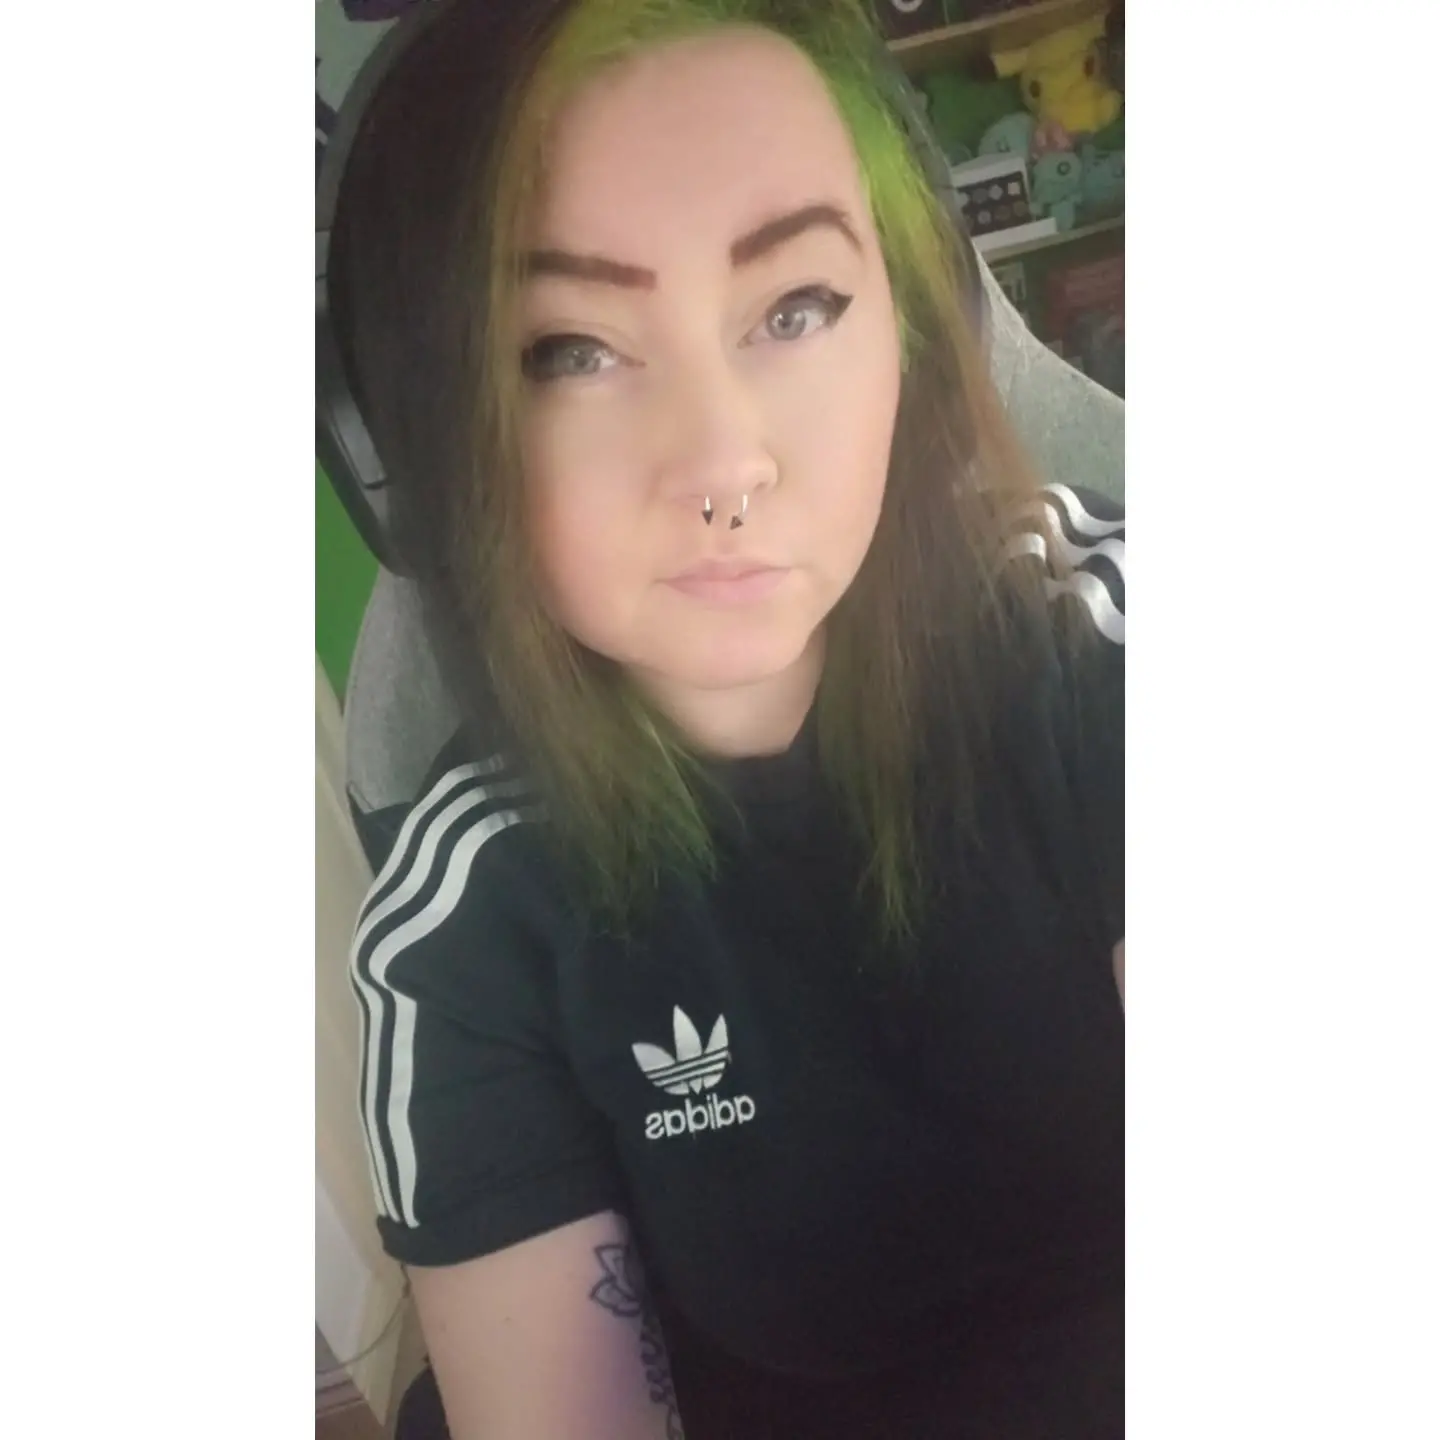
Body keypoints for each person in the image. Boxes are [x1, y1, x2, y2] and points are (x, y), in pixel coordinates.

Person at [331, 1, 1124, 1435]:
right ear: (421, 447)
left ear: (915, 329)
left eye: (795, 309)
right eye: (569, 349)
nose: (724, 463)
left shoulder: (1107, 654)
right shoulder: (469, 924)